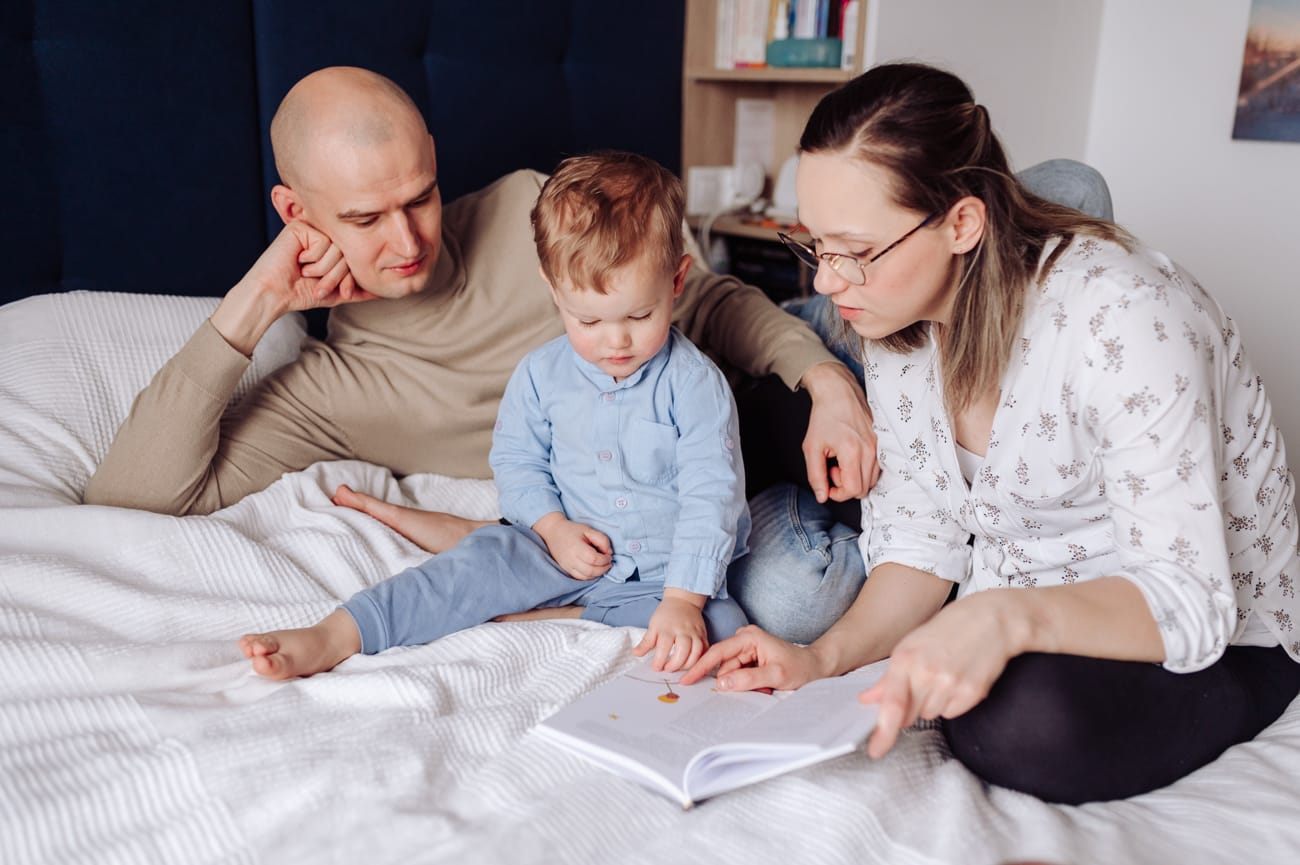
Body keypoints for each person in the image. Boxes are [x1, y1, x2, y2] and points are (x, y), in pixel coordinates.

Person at [682, 62, 1300, 806]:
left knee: (1015, 722)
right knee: (953, 689)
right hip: (1029, 594)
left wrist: (999, 616)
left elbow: (1190, 600)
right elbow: (922, 539)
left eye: (854, 249)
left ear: (961, 223)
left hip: (1215, 631)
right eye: (815, 246)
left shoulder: (1127, 317)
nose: (825, 281)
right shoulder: (892, 318)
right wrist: (820, 658)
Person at [82, 66, 874, 532]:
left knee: (905, 316)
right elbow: (130, 498)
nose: (408, 241)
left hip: (764, 372)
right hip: (716, 488)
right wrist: (254, 302)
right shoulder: (330, 391)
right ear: (296, 214)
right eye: (364, 218)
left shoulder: (525, 208)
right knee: (795, 592)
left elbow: (708, 304)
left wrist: (825, 381)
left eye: (420, 196)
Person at [239, 151, 749, 679]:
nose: (615, 341)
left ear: (676, 280)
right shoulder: (539, 375)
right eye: (588, 320)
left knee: (725, 627)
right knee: (472, 568)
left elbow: (711, 495)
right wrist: (552, 528)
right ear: (553, 292)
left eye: (640, 315)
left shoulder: (695, 385)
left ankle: (568, 615)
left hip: (664, 572)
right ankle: (338, 633)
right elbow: (517, 462)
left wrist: (683, 601)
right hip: (553, 549)